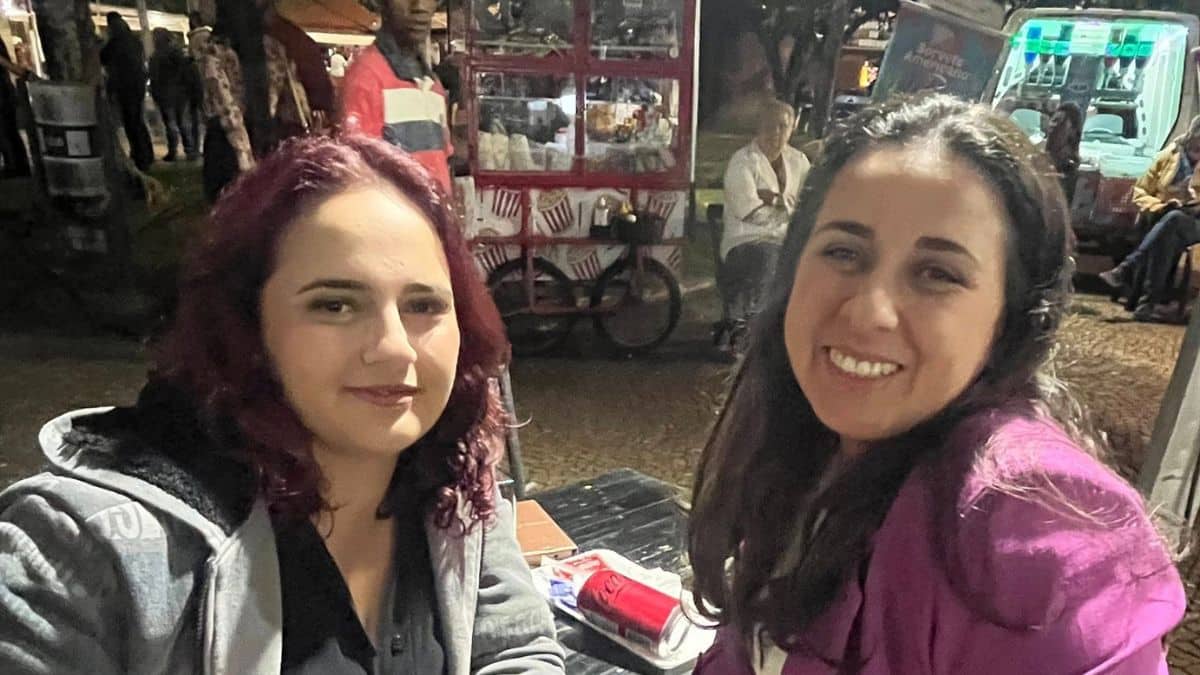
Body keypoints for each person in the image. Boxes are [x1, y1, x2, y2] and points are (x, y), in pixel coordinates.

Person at [0, 135, 566, 674]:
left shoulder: (452, 478)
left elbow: (515, 647)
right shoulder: (78, 557)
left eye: (423, 306)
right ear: (245, 325)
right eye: (335, 305)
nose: (395, 347)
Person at [688, 95, 1184, 674]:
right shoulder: (808, 443)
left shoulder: (1029, 525)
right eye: (844, 252)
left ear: (1012, 318)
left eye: (937, 273)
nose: (869, 310)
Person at [717, 99, 811, 352]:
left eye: (783, 126)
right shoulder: (743, 162)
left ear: (792, 128)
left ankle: (795, 332)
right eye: (770, 125)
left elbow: (811, 203)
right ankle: (746, 331)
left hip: (786, 240)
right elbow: (750, 213)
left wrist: (775, 201)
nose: (776, 133)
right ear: (758, 126)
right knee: (769, 258)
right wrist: (790, 210)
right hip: (747, 240)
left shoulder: (799, 161)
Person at [199, 0, 311, 201]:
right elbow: (296, 103)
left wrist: (246, 163)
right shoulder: (274, 48)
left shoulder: (214, 51)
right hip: (268, 138)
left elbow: (228, 113)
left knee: (232, 211)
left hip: (226, 149)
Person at [341, 0, 454, 192]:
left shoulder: (433, 84)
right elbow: (358, 178)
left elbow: (442, 160)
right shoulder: (365, 78)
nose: (420, 6)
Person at [1099, 116, 1200, 322]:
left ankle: (1127, 269)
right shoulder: (1169, 155)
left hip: (1196, 220)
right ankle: (1146, 305)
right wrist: (1161, 205)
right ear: (1193, 134)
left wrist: (1192, 200)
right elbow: (1140, 191)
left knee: (1171, 223)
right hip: (1167, 216)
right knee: (1168, 231)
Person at [265, 2, 335, 134]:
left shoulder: (295, 42)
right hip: (291, 130)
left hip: (285, 128)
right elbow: (322, 94)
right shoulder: (298, 41)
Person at [100, 12, 154, 171]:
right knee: (137, 120)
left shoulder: (115, 42)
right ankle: (145, 153)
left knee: (131, 122)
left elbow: (104, 57)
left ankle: (139, 154)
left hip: (124, 85)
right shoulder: (133, 40)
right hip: (136, 84)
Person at [149, 28, 197, 162]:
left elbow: (155, 77)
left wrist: (156, 93)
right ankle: (189, 150)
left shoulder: (157, 56)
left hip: (166, 94)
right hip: (179, 93)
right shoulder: (176, 53)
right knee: (182, 122)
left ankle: (174, 150)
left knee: (171, 124)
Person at [0, 36, 30, 177]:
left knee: (6, 131)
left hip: (2, 94)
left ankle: (16, 167)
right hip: (4, 92)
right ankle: (16, 165)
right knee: (7, 131)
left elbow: (4, 62)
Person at [1043, 101, 1081, 204]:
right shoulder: (1037, 153)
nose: (1053, 126)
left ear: (1073, 131)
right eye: (1054, 120)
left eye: (1061, 123)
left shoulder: (1070, 166)